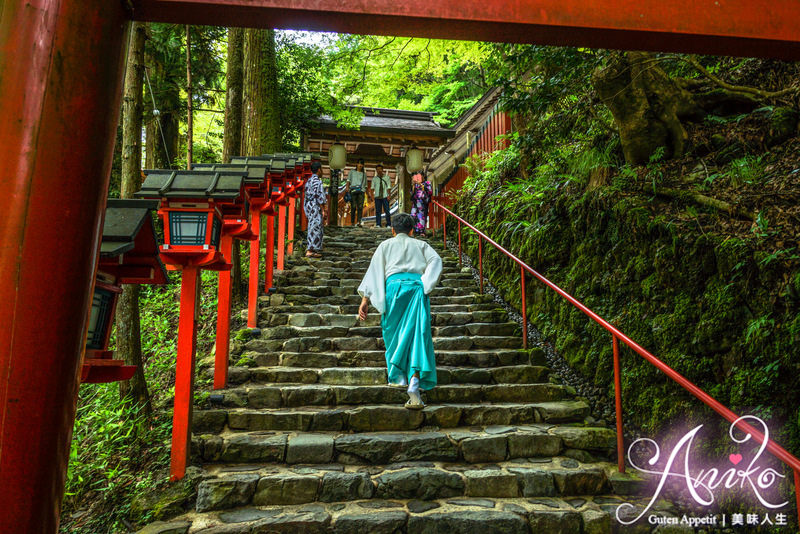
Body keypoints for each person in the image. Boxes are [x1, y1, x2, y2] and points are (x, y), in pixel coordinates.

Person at [357, 213, 442, 409]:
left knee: (393, 334)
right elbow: (436, 261)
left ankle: (399, 376)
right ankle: (414, 380)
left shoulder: (385, 246)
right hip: (416, 290)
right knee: (417, 336)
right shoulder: (421, 245)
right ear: (412, 230)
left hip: (393, 290)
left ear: (393, 230)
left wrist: (365, 300)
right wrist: (425, 284)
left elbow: (374, 272)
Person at [303, 161, 327, 258]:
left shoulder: (309, 181)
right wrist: (323, 209)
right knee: (316, 226)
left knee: (311, 225)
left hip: (308, 204)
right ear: (319, 170)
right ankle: (311, 249)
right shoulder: (317, 181)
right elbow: (320, 196)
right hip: (315, 205)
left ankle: (312, 248)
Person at [409, 171, 433, 236]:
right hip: (416, 202)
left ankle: (421, 231)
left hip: (423, 202)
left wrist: (421, 185)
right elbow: (411, 193)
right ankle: (415, 230)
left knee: (421, 217)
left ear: (422, 176)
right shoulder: (415, 184)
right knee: (413, 215)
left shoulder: (427, 183)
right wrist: (413, 185)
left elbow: (429, 192)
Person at [346, 159, 367, 226]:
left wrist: (364, 191)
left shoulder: (364, 174)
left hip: (361, 191)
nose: (360, 165)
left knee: (360, 207)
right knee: (353, 206)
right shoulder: (352, 172)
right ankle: (352, 222)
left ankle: (359, 222)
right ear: (357, 164)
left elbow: (365, 184)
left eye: (362, 164)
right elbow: (348, 180)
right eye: (359, 164)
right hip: (353, 190)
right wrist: (347, 188)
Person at [372, 163, 392, 228]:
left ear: (382, 170)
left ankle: (388, 224)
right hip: (377, 196)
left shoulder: (387, 177)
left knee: (387, 211)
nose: (379, 170)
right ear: (376, 170)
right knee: (378, 211)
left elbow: (389, 187)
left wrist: (389, 195)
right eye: (377, 169)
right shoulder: (374, 179)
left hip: (385, 196)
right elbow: (372, 188)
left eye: (380, 169)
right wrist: (373, 196)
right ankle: (378, 224)